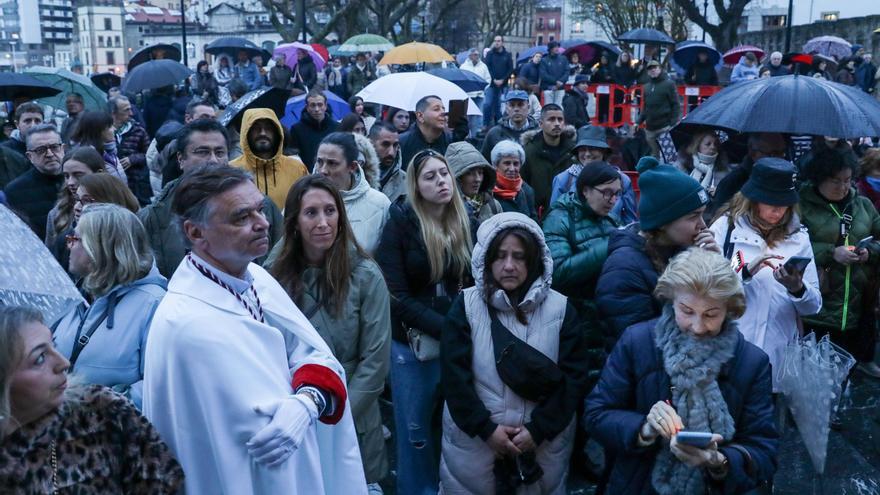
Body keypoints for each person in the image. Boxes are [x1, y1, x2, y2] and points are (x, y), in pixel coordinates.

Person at [143, 165, 366, 494]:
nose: (262, 223)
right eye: (240, 217)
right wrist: (294, 406)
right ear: (195, 233)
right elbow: (254, 433)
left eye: (260, 209)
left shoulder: (256, 278)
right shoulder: (183, 325)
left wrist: (307, 401)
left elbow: (314, 353)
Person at [585, 247, 779, 494]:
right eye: (687, 311)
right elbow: (596, 414)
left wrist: (720, 462)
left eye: (711, 314)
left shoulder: (752, 362)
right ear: (671, 300)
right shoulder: (637, 341)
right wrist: (644, 429)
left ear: (730, 309)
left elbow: (764, 451)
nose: (698, 327)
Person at [440, 212, 589, 493]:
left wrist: (538, 430)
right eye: (500, 256)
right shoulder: (466, 306)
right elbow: (454, 377)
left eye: (519, 257)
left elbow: (574, 379)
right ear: (487, 259)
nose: (509, 266)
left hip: (541, 447)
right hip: (475, 448)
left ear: (534, 259)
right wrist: (485, 429)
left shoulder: (561, 310)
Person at [269, 175, 391, 492]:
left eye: (330, 211)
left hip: (352, 414)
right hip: (292, 411)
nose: (323, 222)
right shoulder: (273, 277)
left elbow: (375, 363)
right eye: (311, 213)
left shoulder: (366, 275)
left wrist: (335, 413)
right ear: (294, 221)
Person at [0, 305, 185, 493]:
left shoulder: (101, 411)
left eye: (53, 345)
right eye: (40, 358)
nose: (64, 363)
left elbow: (164, 481)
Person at [375, 149, 475, 495]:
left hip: (458, 341)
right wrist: (446, 327)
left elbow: (476, 283)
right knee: (415, 430)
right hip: (412, 346)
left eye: (444, 174)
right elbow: (395, 294)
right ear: (416, 186)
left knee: (455, 425)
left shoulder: (464, 221)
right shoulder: (400, 223)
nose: (441, 181)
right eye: (430, 176)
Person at [709, 158, 822, 393]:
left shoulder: (800, 238)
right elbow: (706, 287)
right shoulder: (725, 229)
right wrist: (745, 271)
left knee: (768, 426)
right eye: (771, 202)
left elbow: (814, 307)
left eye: (784, 203)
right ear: (753, 199)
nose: (778, 210)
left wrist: (797, 288)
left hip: (777, 359)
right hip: (730, 352)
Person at [52, 203, 166, 409]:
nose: (68, 245)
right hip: (63, 431)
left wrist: (100, 406)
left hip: (113, 434)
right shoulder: (75, 295)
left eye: (75, 239)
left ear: (101, 247)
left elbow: (159, 385)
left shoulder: (155, 304)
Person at [138, 119, 284, 277]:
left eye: (220, 152)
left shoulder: (261, 206)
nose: (213, 160)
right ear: (181, 159)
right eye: (203, 152)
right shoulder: (154, 217)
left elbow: (281, 262)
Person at [596, 156, 717, 344]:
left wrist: (713, 267)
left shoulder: (680, 251)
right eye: (694, 216)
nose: (703, 225)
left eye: (703, 214)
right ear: (662, 223)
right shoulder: (623, 270)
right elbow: (641, 345)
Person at [799, 149, 880, 379]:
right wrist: (830, 253)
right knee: (812, 375)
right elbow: (787, 248)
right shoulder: (801, 206)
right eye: (836, 181)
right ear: (819, 178)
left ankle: (833, 414)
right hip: (816, 312)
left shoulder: (863, 205)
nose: (843, 187)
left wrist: (869, 252)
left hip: (855, 309)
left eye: (847, 180)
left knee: (843, 374)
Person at [542, 161, 620, 341]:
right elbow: (558, 272)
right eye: (607, 192)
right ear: (585, 190)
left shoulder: (611, 220)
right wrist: (609, 245)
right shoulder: (560, 218)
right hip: (574, 320)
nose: (613, 200)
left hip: (606, 316)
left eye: (617, 193)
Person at [313, 132, 390, 253]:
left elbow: (389, 258)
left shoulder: (380, 204)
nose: (323, 170)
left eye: (332, 163)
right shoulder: (301, 199)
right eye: (319, 161)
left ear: (353, 166)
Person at [550, 126, 637, 225]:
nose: (587, 154)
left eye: (592, 148)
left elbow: (630, 222)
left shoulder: (621, 180)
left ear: (603, 151)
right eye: (582, 149)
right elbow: (555, 220)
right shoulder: (564, 179)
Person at [230, 108, 308, 210]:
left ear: (277, 132)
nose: (262, 133)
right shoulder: (232, 170)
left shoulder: (297, 168)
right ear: (246, 132)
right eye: (256, 128)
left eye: (268, 128)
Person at [3, 124, 64, 239]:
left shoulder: (80, 181)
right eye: (41, 150)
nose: (50, 154)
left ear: (63, 149)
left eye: (54, 147)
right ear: (30, 156)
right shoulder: (15, 192)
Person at [709, 132, 787, 217]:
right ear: (753, 153)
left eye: (782, 153)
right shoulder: (732, 182)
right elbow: (717, 220)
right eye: (773, 154)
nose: (780, 159)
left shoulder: (788, 179)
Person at [520, 104, 575, 216]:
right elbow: (522, 186)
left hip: (568, 214)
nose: (557, 123)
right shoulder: (528, 152)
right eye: (551, 119)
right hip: (537, 214)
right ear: (541, 124)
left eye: (560, 119)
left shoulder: (573, 152)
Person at [45, 146, 105, 249]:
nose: (70, 182)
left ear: (99, 174)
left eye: (78, 175)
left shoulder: (120, 209)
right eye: (66, 176)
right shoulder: (57, 213)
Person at [110, 95, 152, 206]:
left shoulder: (139, 131)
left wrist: (132, 159)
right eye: (126, 110)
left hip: (135, 185)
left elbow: (149, 155)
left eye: (130, 109)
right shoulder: (104, 132)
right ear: (114, 113)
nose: (131, 113)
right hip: (112, 186)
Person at [447, 140, 501, 224]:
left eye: (480, 173)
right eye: (469, 173)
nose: (478, 179)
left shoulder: (493, 205)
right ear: (457, 178)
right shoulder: (446, 209)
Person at [399, 95, 459, 168]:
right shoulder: (402, 142)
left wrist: (460, 141)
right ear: (420, 116)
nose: (443, 113)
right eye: (436, 109)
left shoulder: (452, 142)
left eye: (443, 109)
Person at [480, 90, 540, 160]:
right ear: (506, 108)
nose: (516, 109)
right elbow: (485, 162)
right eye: (512, 105)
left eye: (520, 105)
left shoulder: (538, 133)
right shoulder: (495, 133)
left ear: (528, 107)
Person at [290, 90, 340, 171]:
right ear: (307, 107)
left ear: (325, 106)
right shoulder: (296, 129)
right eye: (312, 105)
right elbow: (294, 156)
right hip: (306, 174)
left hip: (332, 173)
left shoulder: (336, 127)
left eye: (320, 105)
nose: (317, 109)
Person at [639, 60, 680, 159]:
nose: (652, 70)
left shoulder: (669, 84)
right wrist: (638, 121)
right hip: (650, 128)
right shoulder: (646, 87)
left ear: (660, 69)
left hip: (664, 126)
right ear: (647, 72)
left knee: (669, 155)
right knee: (654, 156)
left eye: (655, 68)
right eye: (650, 69)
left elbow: (675, 104)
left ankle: (670, 173)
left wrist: (673, 123)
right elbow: (645, 107)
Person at [69, 110, 126, 181]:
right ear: (99, 130)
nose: (114, 129)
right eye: (110, 126)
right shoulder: (88, 157)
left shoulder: (110, 151)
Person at [674, 130, 730, 198]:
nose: (713, 147)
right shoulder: (681, 166)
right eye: (708, 144)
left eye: (716, 144)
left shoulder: (722, 170)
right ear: (697, 146)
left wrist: (718, 192)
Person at [490, 140, 537, 220]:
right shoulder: (487, 191)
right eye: (507, 163)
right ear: (495, 165)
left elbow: (534, 222)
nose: (512, 169)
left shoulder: (527, 191)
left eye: (516, 164)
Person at [369, 121, 407, 204]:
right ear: (371, 144)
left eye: (395, 145)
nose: (391, 152)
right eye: (385, 144)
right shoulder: (355, 176)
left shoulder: (406, 181)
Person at [483, 35, 515, 131]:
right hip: (491, 84)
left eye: (499, 41)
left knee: (499, 106)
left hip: (503, 85)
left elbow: (510, 69)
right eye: (495, 41)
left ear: (502, 42)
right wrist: (494, 80)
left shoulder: (507, 55)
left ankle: (499, 125)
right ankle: (485, 124)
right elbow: (487, 68)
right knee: (487, 104)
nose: (497, 42)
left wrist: (503, 80)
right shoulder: (490, 54)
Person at [459, 48, 492, 138]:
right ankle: (467, 135)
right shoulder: (464, 67)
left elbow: (488, 79)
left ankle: (475, 135)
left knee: (478, 115)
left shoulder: (483, 66)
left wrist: (484, 88)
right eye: (475, 55)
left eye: (478, 54)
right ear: (470, 56)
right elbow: (461, 80)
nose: (477, 56)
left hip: (479, 95)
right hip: (468, 95)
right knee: (468, 116)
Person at [539, 42, 568, 106]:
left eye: (558, 47)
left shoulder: (563, 59)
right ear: (550, 49)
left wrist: (561, 81)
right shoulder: (544, 60)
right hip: (548, 88)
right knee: (548, 107)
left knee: (559, 108)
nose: (557, 49)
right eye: (555, 47)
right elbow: (543, 75)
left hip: (560, 88)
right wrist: (555, 82)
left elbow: (567, 72)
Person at [591, 53, 614, 123]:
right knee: (600, 106)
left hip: (609, 91)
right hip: (600, 90)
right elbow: (593, 80)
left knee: (608, 106)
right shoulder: (598, 68)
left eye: (604, 58)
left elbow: (614, 79)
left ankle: (607, 121)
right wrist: (593, 74)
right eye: (602, 59)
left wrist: (610, 78)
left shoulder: (611, 68)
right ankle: (600, 121)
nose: (603, 60)